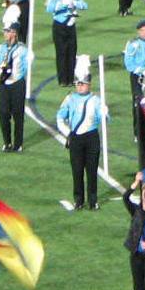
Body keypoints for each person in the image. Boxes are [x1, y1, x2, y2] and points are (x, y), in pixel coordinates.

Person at [56, 56, 105, 210]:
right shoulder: (70, 99)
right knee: (77, 171)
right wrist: (67, 133)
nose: (80, 87)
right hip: (76, 138)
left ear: (88, 84)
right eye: (78, 84)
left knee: (91, 170)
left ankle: (93, 200)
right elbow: (60, 117)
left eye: (82, 84)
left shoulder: (96, 100)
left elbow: (103, 119)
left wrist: (104, 112)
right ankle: (78, 199)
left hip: (91, 137)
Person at [46, 0, 87, 86]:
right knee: (61, 53)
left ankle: (70, 78)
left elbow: (85, 5)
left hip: (71, 26)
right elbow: (49, 8)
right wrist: (62, 4)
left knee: (71, 52)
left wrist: (75, 2)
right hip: (59, 26)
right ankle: (62, 79)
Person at [0, 9, 28, 153]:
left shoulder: (22, 50)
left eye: (8, 31)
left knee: (18, 114)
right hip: (4, 84)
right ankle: (7, 142)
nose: (5, 34)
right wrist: (0, 73)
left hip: (17, 84)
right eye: (5, 31)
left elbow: (26, 66)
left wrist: (13, 74)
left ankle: (18, 143)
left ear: (14, 32)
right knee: (3, 113)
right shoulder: (0, 48)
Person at [124, 20, 145, 138]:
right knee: (138, 103)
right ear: (138, 31)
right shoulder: (133, 44)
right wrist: (141, 70)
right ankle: (138, 132)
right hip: (137, 77)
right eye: (143, 30)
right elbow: (128, 63)